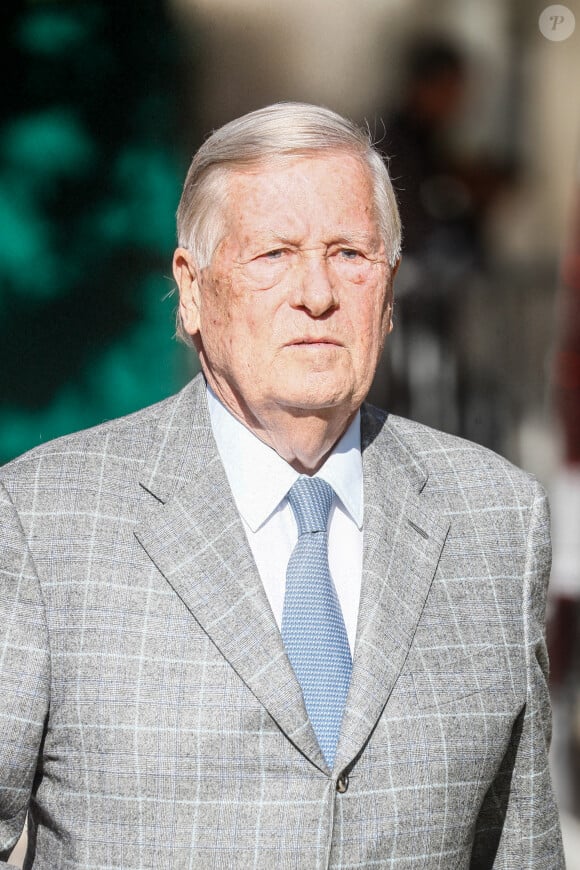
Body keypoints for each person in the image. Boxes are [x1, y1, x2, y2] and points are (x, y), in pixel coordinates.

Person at [0, 103, 564, 868]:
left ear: (389, 289)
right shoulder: (44, 517)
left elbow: (522, 848)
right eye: (273, 254)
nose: (318, 294)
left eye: (349, 254)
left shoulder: (497, 519)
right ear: (193, 290)